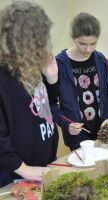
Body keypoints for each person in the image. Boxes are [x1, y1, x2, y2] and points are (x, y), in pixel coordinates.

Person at [0, 1, 59, 187]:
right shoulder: (3, 75)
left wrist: (52, 79)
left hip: (41, 160)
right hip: (15, 171)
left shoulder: (31, 62)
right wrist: (23, 168)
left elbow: (44, 102)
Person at [51, 12, 108, 150]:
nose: (88, 49)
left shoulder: (101, 60)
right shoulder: (59, 64)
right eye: (83, 44)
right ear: (73, 38)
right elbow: (50, 103)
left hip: (100, 131)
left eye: (93, 43)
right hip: (77, 135)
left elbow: (107, 92)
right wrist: (66, 124)